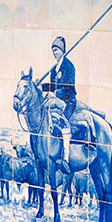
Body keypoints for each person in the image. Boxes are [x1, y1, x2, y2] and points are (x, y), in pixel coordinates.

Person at [41, 36, 77, 174]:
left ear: (62, 50)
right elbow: (52, 86)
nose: (54, 52)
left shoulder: (69, 66)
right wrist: (41, 86)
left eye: (56, 49)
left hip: (68, 101)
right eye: (53, 50)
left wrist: (57, 93)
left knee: (64, 124)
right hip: (57, 101)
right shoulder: (53, 69)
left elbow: (70, 87)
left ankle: (65, 159)